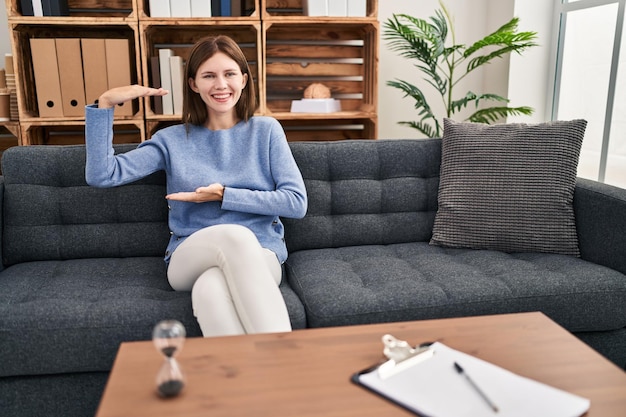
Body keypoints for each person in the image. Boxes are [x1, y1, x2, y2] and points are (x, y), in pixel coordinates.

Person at [84, 35, 308, 337]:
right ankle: (287, 363)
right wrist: (105, 105)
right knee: (234, 236)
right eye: (209, 76)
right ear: (193, 84)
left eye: (229, 74)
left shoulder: (266, 131)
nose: (221, 84)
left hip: (261, 254)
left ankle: (244, 382)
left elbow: (296, 202)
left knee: (210, 290)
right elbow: (103, 174)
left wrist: (224, 195)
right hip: (188, 255)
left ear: (243, 79)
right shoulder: (171, 139)